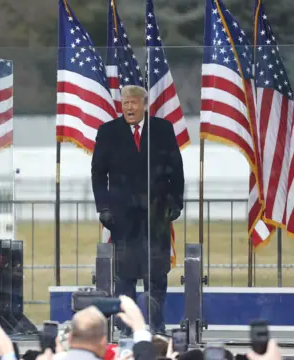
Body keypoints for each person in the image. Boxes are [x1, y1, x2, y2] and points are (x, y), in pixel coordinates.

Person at [91, 84, 184, 336]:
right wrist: (104, 207)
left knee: (156, 273)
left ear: (145, 104)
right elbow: (98, 174)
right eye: (125, 103)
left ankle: (156, 326)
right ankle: (127, 327)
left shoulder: (163, 130)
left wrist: (176, 203)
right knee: (125, 275)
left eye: (134, 102)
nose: (129, 107)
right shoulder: (108, 132)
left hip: (156, 214)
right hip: (122, 217)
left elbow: (176, 168)